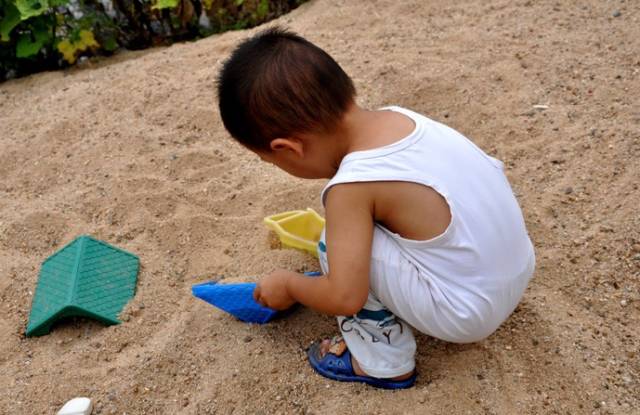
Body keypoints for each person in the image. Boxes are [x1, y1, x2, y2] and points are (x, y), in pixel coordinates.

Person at [216, 27, 535, 389]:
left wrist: (288, 285)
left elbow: (344, 295)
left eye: (270, 161)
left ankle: (382, 363)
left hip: (468, 313)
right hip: (518, 269)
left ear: (289, 148)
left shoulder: (350, 188)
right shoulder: (401, 119)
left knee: (331, 242)